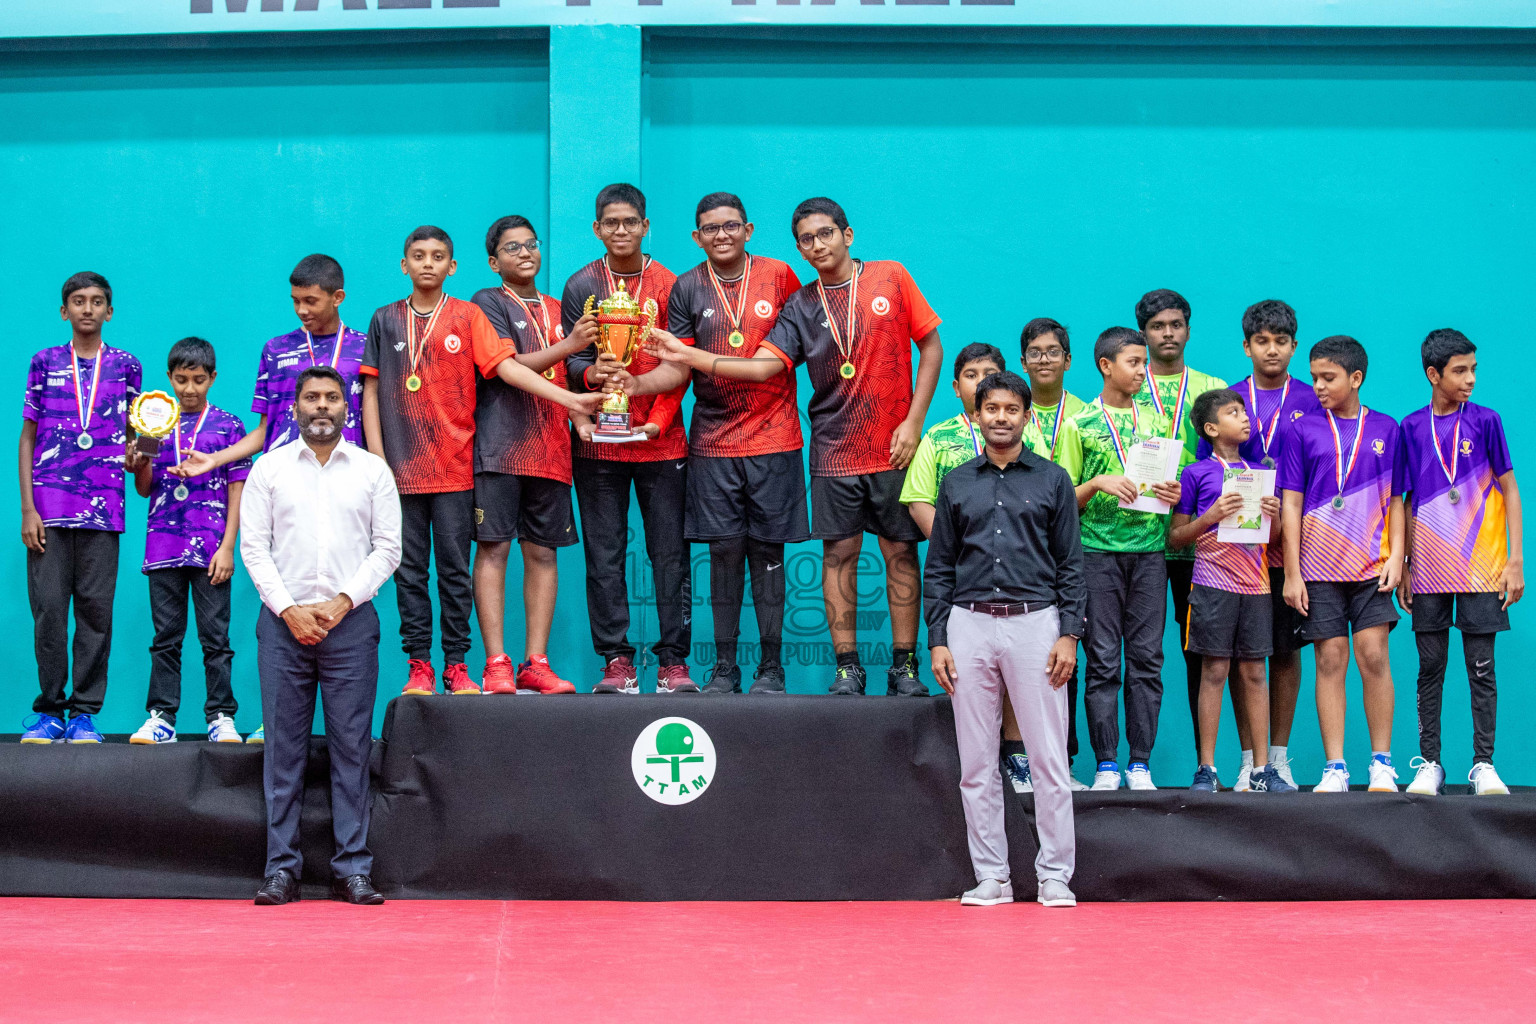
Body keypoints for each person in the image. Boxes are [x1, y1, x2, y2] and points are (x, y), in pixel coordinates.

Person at [651, 196, 944, 696]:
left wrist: (914, 423)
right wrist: (687, 359)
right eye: (806, 239)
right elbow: (765, 365)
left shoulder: (891, 277)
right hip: (831, 449)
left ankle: (904, 667)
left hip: (895, 445)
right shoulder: (802, 302)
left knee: (900, 553)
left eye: (825, 234)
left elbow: (933, 346)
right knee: (838, 557)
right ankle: (848, 667)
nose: (817, 245)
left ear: (846, 235)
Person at [361, 225, 602, 698]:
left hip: (491, 462)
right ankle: (445, 665)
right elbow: (372, 389)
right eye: (418, 255)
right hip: (442, 464)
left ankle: (484, 665)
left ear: (451, 265)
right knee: (422, 568)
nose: (428, 263)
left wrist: (574, 407)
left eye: (438, 256)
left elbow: (521, 368)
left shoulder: (497, 313)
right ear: (404, 263)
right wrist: (377, 460)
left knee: (485, 563)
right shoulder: (401, 317)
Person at [610, 192, 806, 694]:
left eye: (731, 226)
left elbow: (788, 351)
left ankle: (771, 667)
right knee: (722, 553)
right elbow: (676, 364)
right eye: (710, 228)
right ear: (696, 237)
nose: (722, 235)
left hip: (774, 436)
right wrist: (637, 386)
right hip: (714, 443)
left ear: (748, 229)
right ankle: (724, 667)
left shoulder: (780, 275)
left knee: (767, 551)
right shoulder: (687, 288)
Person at [173, 253, 367, 745]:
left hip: (344, 485)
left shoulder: (365, 347)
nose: (301, 309)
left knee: (345, 596)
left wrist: (381, 475)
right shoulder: (276, 349)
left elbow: (373, 422)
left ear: (337, 298)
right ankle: (278, 718)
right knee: (283, 594)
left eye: (311, 301)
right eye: (295, 301)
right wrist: (215, 460)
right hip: (284, 489)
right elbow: (263, 430)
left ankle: (344, 728)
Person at [925, 370, 1084, 909]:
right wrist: (938, 638)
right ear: (976, 415)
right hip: (968, 624)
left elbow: (1071, 566)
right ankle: (992, 876)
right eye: (990, 408)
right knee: (976, 763)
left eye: (1010, 409)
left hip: (1036, 623)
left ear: (1026, 417)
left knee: (1048, 759)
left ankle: (1055, 875)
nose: (1000, 417)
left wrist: (1069, 635)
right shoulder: (956, 483)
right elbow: (940, 567)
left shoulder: (1053, 480)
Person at [242, 366, 401, 907]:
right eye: (311, 398)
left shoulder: (372, 471)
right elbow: (254, 550)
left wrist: (340, 602)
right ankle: (281, 870)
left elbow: (388, 549)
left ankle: (352, 868)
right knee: (282, 752)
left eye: (331, 397)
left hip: (350, 625)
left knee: (351, 750)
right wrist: (288, 609)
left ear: (346, 407)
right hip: (283, 625)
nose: (321, 406)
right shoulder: (268, 470)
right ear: (294, 408)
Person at [560, 183, 694, 694]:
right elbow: (569, 359)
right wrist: (593, 376)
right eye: (610, 223)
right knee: (604, 552)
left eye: (629, 222)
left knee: (669, 554)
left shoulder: (672, 284)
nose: (620, 231)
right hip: (597, 438)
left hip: (660, 441)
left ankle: (673, 663)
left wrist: (657, 422)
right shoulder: (580, 286)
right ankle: (616, 660)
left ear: (645, 226)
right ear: (597, 229)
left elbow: (680, 365)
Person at [901, 343, 1042, 793]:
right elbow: (919, 497)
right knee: (970, 674)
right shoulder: (938, 438)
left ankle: (1017, 753)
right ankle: (976, 764)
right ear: (957, 387)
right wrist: (957, 547)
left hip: (1020, 580)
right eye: (971, 374)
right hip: (965, 578)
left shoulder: (1028, 440)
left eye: (991, 373)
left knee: (1018, 671)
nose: (981, 381)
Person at [1195, 300, 1317, 789]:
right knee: (1234, 656)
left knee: (1284, 653)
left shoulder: (1312, 399)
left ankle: (1278, 759)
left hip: (1287, 547)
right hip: (1232, 557)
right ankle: (1249, 759)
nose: (1272, 349)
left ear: (1293, 346)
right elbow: (1206, 473)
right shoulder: (1229, 400)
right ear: (1246, 346)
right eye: (1261, 341)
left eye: (1281, 341)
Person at [19, 272, 143, 745]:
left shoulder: (127, 366)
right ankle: (51, 710)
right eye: (78, 301)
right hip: (49, 512)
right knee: (49, 610)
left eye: (96, 302)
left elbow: (141, 431)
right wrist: (28, 509)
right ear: (64, 311)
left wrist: (140, 455)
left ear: (109, 311)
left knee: (96, 613)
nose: (87, 309)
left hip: (103, 511)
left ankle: (85, 714)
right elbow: (27, 438)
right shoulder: (44, 363)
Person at [1398, 329, 1523, 796]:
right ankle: (1430, 762)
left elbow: (1510, 490)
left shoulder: (1487, 421)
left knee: (1481, 667)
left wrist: (1515, 560)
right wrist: (1407, 562)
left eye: (1473, 369)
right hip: (1429, 568)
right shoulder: (1411, 428)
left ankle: (1483, 764)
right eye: (1460, 371)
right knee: (1430, 666)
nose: (1470, 379)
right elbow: (1407, 501)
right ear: (1434, 374)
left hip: (1483, 565)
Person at [469, 215, 589, 695]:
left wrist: (581, 413)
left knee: (543, 553)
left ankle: (534, 662)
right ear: (494, 261)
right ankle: (496, 662)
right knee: (494, 548)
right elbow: (504, 367)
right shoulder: (486, 303)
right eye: (512, 248)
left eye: (531, 244)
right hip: (499, 446)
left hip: (552, 450)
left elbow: (565, 374)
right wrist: (571, 344)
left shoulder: (560, 308)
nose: (525, 253)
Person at [1279, 336, 1403, 793]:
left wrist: (1399, 558)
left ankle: (1381, 763)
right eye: (1313, 377)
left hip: (1372, 566)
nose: (1317, 385)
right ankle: (1335, 766)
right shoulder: (1303, 430)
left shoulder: (1388, 429)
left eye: (1327, 377)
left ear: (1356, 378)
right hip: (1318, 568)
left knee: (1373, 656)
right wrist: (1293, 572)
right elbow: (1289, 504)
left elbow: (1396, 500)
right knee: (1330, 659)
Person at [1055, 327, 1177, 790]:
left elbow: (1178, 486)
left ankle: (1139, 763)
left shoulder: (1159, 421)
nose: (1142, 371)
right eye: (1133, 362)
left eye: (1144, 363)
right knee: (1103, 660)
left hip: (1149, 554)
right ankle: (1107, 763)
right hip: (1096, 555)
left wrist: (1176, 490)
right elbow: (1062, 499)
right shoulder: (1079, 424)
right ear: (1106, 366)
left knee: (1147, 659)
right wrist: (1097, 483)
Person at [125, 337, 250, 744]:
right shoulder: (153, 421)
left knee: (216, 639)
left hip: (212, 549)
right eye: (181, 380)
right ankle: (161, 717)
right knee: (166, 638)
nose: (189, 389)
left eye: (198, 380)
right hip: (163, 547)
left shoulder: (229, 426)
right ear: (169, 378)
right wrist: (140, 461)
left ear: (213, 378)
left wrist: (228, 546)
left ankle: (221, 717)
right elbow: (145, 488)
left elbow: (237, 488)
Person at [1169, 389, 1294, 792]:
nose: (1244, 418)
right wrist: (1211, 515)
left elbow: (1271, 539)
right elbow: (1176, 538)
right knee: (1214, 671)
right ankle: (1207, 768)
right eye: (1232, 412)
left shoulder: (1259, 473)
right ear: (1210, 428)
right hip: (1210, 586)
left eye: (1243, 411)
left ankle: (1261, 771)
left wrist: (1274, 518)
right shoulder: (1196, 474)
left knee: (1255, 671)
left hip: (1256, 587)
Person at [1133, 289, 1227, 765]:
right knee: (1142, 652)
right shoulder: (1127, 386)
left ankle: (1204, 765)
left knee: (1201, 655)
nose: (1167, 333)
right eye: (1156, 326)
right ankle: (1135, 762)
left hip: (1204, 547)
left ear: (1188, 329)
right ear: (1144, 334)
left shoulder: (1214, 388)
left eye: (1175, 324)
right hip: (1143, 543)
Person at [1018, 318, 1090, 790]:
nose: (1044, 359)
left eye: (1052, 351)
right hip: (1019, 559)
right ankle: (1019, 762)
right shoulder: (1006, 414)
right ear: (1022, 361)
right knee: (1017, 668)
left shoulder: (1089, 417)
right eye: (1034, 352)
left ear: (1068, 359)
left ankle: (1062, 764)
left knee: (1067, 661)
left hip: (1069, 557)